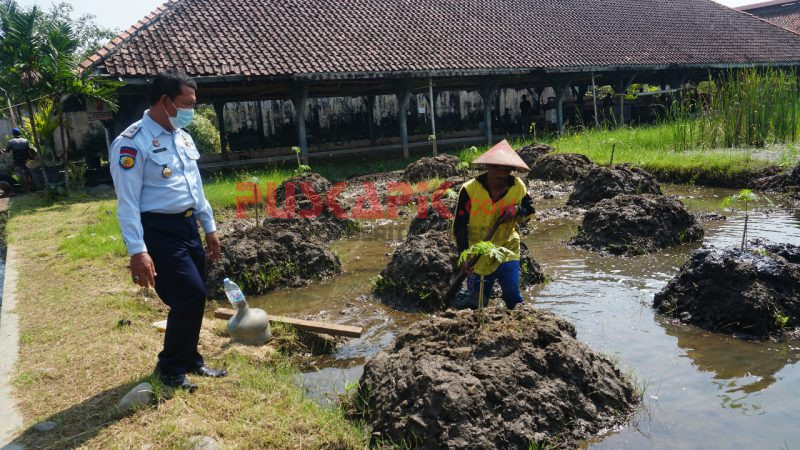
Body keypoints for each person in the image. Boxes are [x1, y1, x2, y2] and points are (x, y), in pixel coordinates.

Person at [109, 70, 225, 393]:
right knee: (188, 294)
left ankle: (189, 358)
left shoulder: (182, 136)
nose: (192, 111)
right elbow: (127, 203)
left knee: (198, 292)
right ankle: (170, 368)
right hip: (159, 232)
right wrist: (137, 251)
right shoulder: (131, 143)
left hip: (188, 226)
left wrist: (209, 227)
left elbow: (195, 187)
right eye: (187, 104)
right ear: (165, 102)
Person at [451, 139, 535, 310]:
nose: (501, 173)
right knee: (476, 304)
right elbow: (460, 225)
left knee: (512, 295)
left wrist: (516, 210)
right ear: (487, 166)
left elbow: (530, 212)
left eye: (506, 169)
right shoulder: (469, 190)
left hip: (506, 248)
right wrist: (464, 255)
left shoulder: (517, 186)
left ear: (511, 170)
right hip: (478, 253)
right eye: (497, 167)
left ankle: (521, 324)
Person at [4, 128, 35, 192]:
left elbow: (7, 151)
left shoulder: (10, 142)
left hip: (17, 162)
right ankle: (31, 187)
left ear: (13, 134)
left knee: (23, 175)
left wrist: (3, 150)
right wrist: (32, 159)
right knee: (28, 174)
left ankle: (27, 189)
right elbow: (29, 151)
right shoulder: (25, 140)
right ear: (20, 133)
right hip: (26, 160)